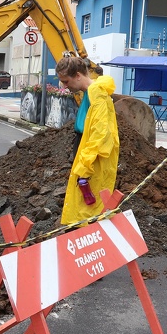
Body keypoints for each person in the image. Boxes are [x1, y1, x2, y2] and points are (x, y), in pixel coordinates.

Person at [56, 54, 119, 226]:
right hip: (86, 150)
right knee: (86, 204)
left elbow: (100, 133)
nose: (65, 86)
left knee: (88, 204)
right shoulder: (91, 92)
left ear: (78, 75)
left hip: (90, 157)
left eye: (66, 81)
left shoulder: (95, 93)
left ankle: (87, 242)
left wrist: (84, 165)